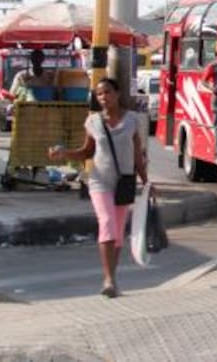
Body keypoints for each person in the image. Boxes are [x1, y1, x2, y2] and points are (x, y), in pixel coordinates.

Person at [47, 77, 147, 298]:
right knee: (107, 222)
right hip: (100, 181)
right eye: (99, 94)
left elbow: (138, 155)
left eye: (107, 92)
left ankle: (113, 276)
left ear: (118, 94)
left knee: (118, 234)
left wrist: (146, 182)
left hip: (125, 182)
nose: (103, 97)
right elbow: (86, 152)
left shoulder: (132, 120)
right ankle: (109, 280)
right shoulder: (93, 121)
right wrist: (64, 153)